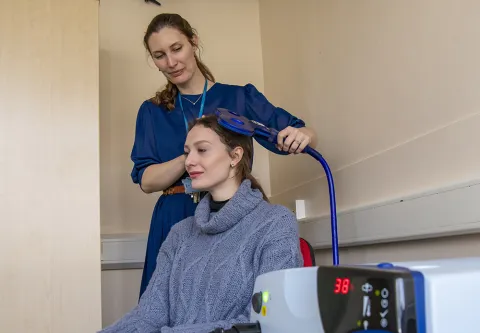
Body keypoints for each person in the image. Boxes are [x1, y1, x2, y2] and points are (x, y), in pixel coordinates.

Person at [132, 12, 317, 297]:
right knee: (165, 306)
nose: (170, 62)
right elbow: (146, 181)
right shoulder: (152, 111)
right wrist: (195, 154)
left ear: (193, 42)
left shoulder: (240, 98)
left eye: (177, 48)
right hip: (173, 215)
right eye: (159, 55)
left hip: (231, 213)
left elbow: (299, 132)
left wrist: (304, 134)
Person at [101, 115, 303, 333]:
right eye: (187, 152)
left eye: (202, 150)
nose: (189, 161)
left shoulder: (274, 224)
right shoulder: (180, 233)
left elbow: (267, 320)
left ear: (235, 156)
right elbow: (148, 316)